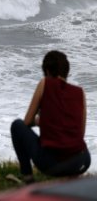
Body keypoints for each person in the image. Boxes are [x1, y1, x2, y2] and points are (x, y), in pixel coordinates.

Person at [11, 50, 91, 184]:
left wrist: (39, 121)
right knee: (73, 146)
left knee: (17, 125)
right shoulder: (80, 92)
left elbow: (27, 121)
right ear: (66, 71)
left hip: (52, 165)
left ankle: (28, 178)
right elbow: (80, 133)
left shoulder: (45, 83)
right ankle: (72, 177)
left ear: (47, 71)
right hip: (82, 161)